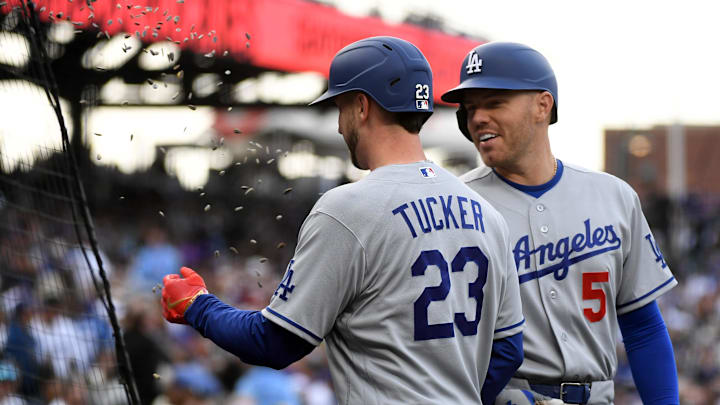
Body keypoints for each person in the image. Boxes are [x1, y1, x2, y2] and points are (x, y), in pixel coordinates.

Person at [160, 36, 525, 404]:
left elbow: (272, 343)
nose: (338, 125)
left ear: (362, 106)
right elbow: (509, 350)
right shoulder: (487, 214)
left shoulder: (348, 208)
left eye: (340, 108)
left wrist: (198, 305)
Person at [441, 41, 679, 405]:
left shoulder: (613, 196)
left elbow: (642, 326)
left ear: (542, 105)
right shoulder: (453, 206)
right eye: (470, 109)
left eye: (494, 103)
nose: (477, 118)